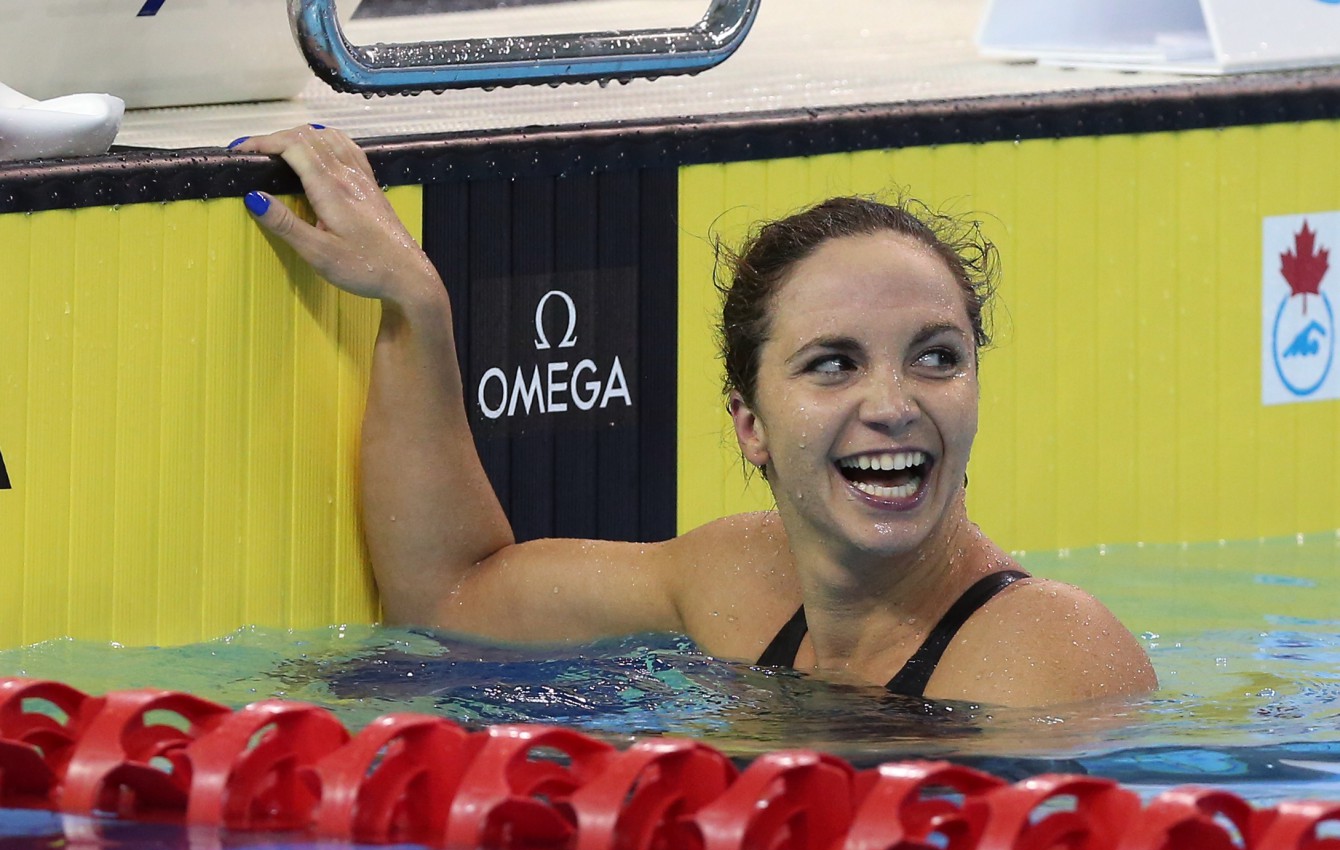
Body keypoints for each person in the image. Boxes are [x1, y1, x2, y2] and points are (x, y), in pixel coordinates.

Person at [233, 125, 1157, 708]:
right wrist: (415, 310)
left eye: (936, 357)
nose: (894, 405)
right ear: (748, 424)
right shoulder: (733, 581)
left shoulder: (1051, 664)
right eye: (834, 364)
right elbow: (453, 597)